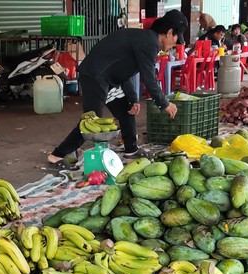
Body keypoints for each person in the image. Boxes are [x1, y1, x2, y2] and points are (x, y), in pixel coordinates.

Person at [46, 10, 185, 169]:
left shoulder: (144, 39)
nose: (175, 44)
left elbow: (123, 72)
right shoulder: (149, 43)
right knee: (91, 122)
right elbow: (149, 79)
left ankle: (131, 151)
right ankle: (57, 155)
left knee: (127, 110)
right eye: (176, 39)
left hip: (110, 78)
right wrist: (164, 103)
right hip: (95, 76)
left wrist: (133, 99)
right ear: (169, 33)